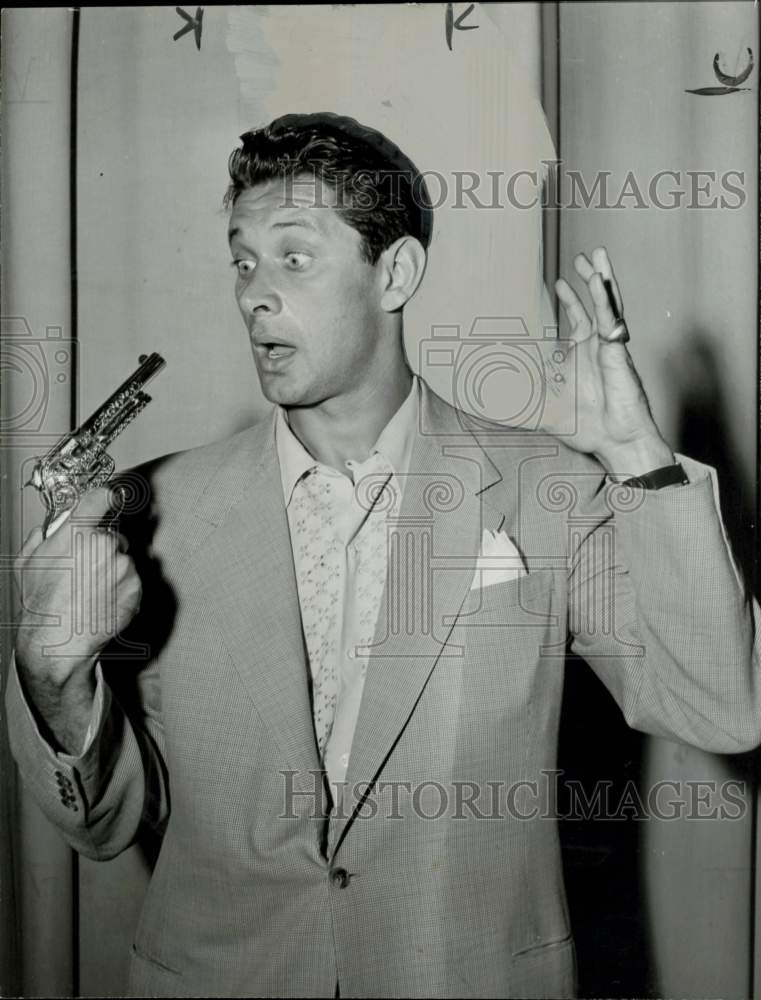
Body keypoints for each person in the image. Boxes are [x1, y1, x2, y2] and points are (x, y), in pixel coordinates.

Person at [7, 113, 760, 999]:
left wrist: (636, 454)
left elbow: (722, 710)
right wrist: (52, 681)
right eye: (241, 260)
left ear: (394, 272)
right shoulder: (147, 513)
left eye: (293, 257)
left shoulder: (540, 486)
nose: (252, 292)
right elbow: (105, 825)